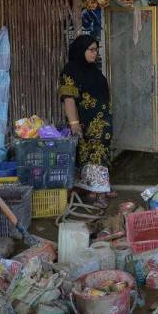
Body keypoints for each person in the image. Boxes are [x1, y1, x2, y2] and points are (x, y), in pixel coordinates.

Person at [58, 35, 112, 208]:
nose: (95, 54)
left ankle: (95, 188)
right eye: (91, 50)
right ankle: (98, 193)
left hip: (101, 122)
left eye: (96, 50)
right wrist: (74, 124)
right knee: (90, 155)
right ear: (81, 50)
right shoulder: (71, 70)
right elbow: (68, 98)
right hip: (85, 123)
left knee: (97, 155)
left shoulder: (93, 70)